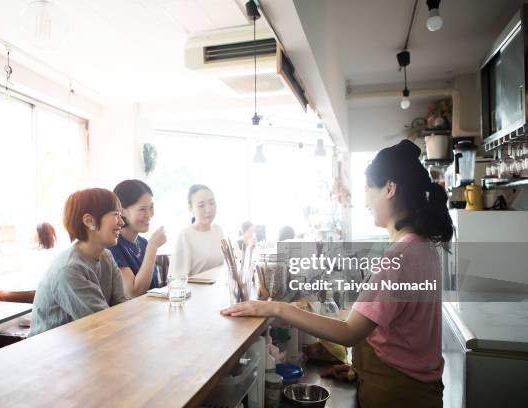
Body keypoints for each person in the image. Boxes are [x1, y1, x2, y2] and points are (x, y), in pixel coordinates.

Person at [221, 140, 452, 408]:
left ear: (390, 188)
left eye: (368, 188)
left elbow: (349, 332)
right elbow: (403, 332)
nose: (364, 198)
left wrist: (276, 308)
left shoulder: (400, 256)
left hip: (396, 395)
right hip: (415, 389)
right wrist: (360, 371)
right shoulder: (423, 246)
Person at [30, 188, 127, 336]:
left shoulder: (106, 256)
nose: (121, 222)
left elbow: (122, 305)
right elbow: (102, 322)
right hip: (52, 354)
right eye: (116, 215)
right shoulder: (69, 269)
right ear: (89, 221)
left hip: (86, 344)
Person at [108, 179, 166, 297]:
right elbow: (134, 293)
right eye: (142, 209)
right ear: (122, 211)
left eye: (151, 207)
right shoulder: (113, 246)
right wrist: (153, 247)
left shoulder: (143, 243)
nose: (149, 215)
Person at [174, 184, 224, 276]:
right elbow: (177, 277)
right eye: (201, 205)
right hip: (195, 289)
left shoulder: (218, 230)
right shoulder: (185, 235)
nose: (208, 209)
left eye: (212, 203)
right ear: (191, 209)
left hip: (217, 288)